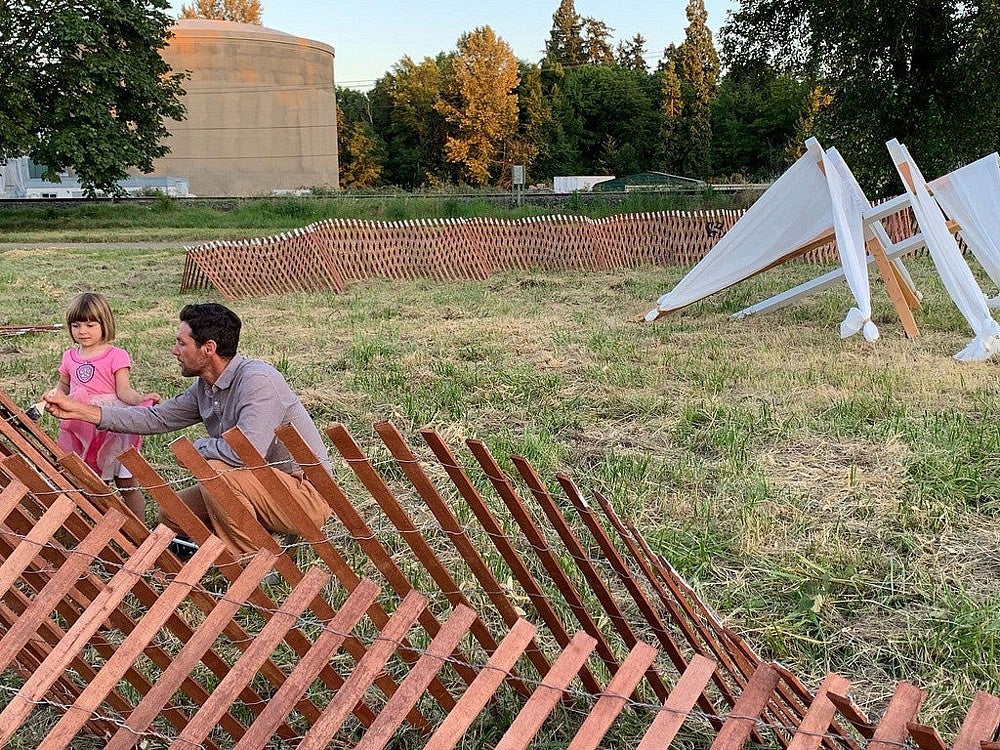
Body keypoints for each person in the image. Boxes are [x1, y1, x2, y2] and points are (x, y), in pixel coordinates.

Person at [44, 302, 333, 557]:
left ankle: (257, 564)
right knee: (173, 515)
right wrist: (81, 411)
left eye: (182, 343)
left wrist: (199, 449)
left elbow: (245, 452)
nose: (174, 350)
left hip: (304, 495)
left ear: (208, 349)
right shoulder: (205, 387)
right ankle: (226, 550)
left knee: (217, 471)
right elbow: (156, 418)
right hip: (260, 487)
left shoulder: (258, 381)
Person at [46, 292, 160, 520]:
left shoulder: (115, 355)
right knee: (95, 481)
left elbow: (123, 391)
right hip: (82, 421)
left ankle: (139, 528)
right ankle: (105, 525)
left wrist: (140, 399)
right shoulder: (69, 356)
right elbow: (64, 386)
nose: (83, 331)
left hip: (110, 422)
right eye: (76, 325)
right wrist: (53, 396)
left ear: (104, 324)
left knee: (125, 478)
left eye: (90, 324)